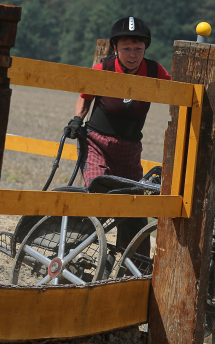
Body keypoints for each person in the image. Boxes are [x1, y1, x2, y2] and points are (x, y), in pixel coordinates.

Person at [63, 16, 171, 254]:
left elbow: (179, 96)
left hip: (130, 149)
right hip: (96, 142)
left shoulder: (154, 71)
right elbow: (85, 96)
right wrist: (77, 119)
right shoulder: (103, 68)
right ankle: (78, 250)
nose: (132, 55)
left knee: (134, 206)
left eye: (138, 49)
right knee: (98, 189)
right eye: (126, 49)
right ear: (115, 48)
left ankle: (133, 265)